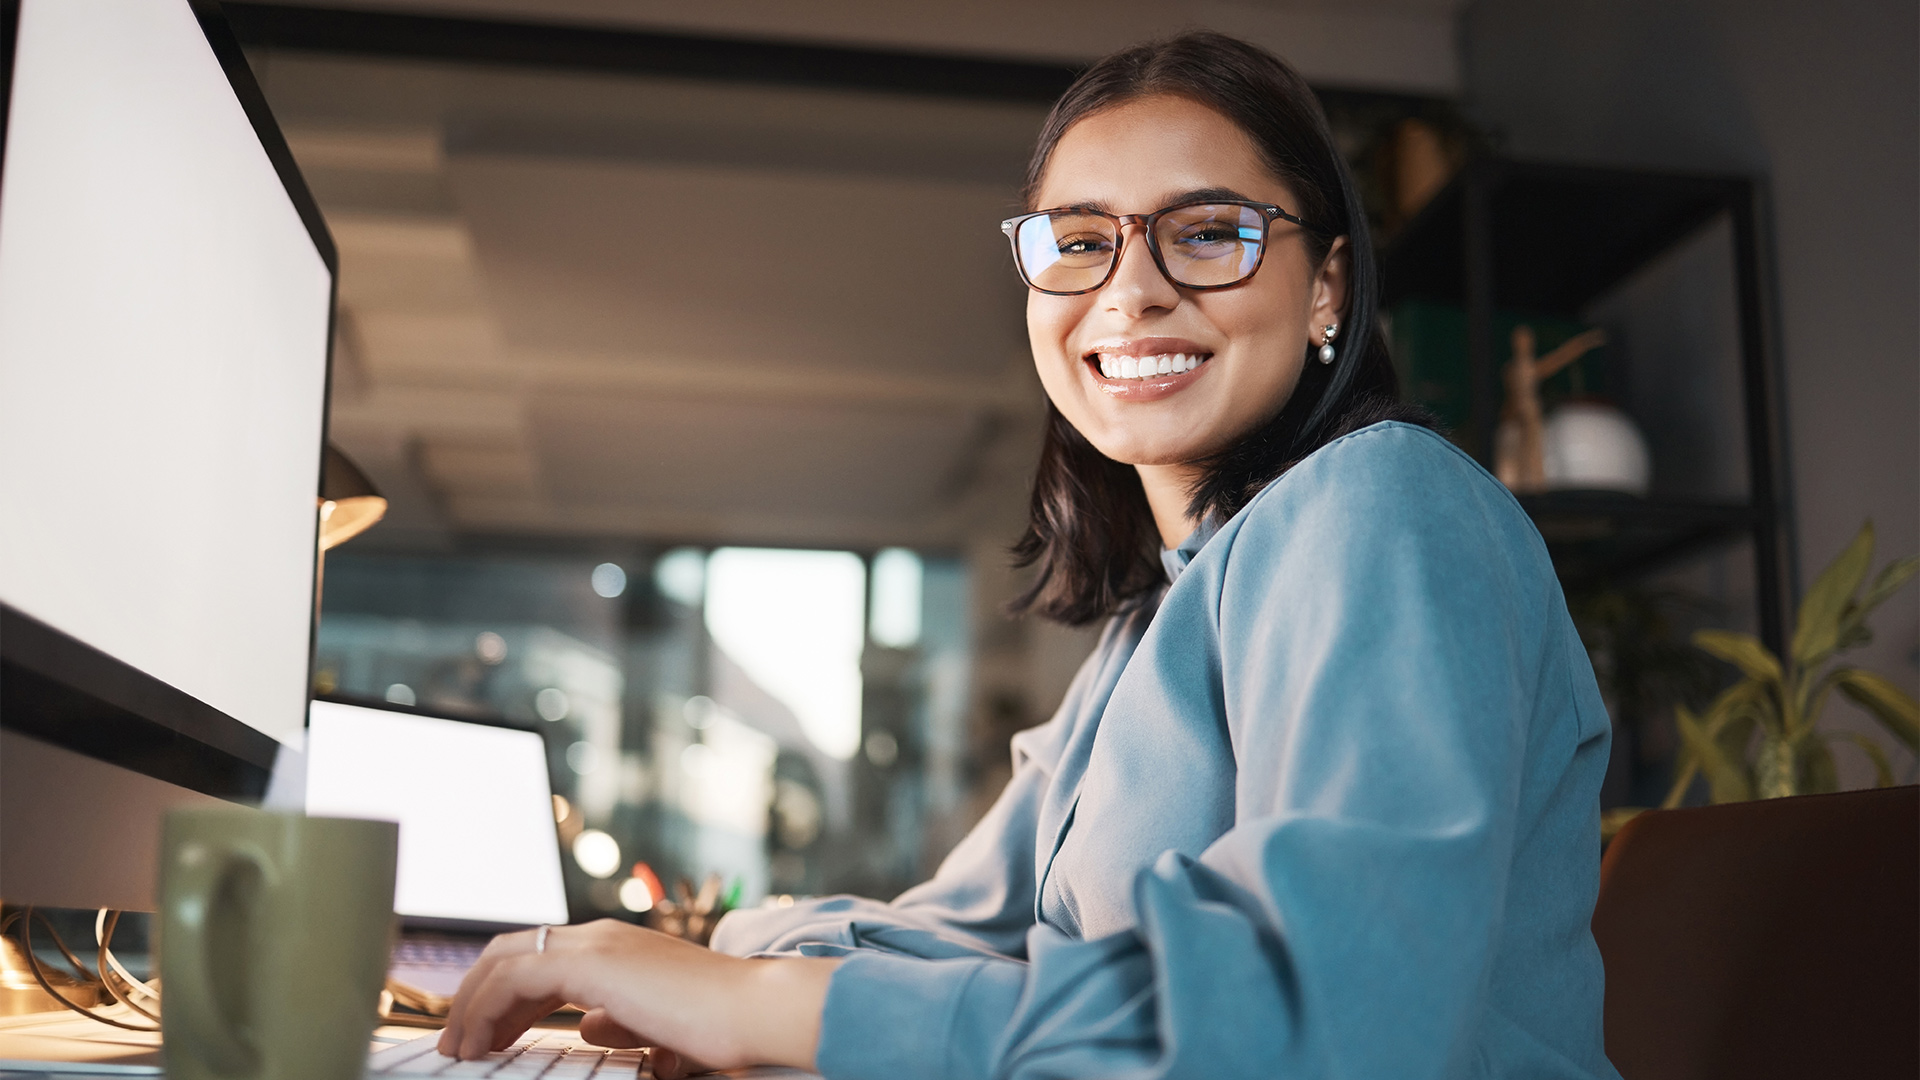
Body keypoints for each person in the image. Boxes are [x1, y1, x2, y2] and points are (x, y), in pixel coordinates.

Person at [438, 31, 1619, 1080]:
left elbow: (1320, 1030)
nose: (1133, 292)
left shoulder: (1385, 505)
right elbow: (956, 928)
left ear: (1328, 285)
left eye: (1208, 233)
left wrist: (758, 1000)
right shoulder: (1152, 623)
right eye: (1080, 241)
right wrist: (712, 962)